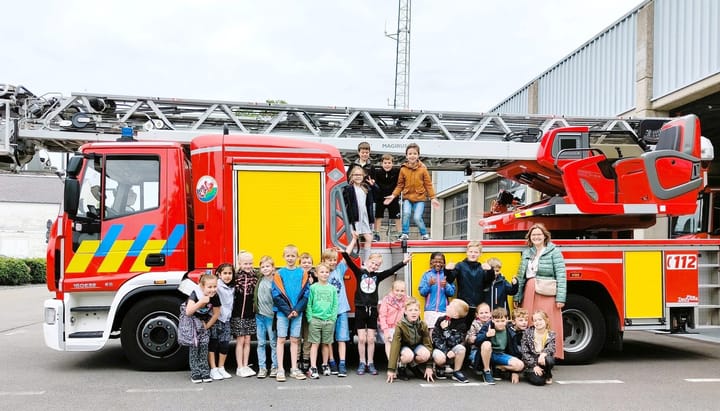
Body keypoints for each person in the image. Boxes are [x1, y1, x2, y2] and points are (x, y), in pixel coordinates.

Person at [342, 232, 411, 376]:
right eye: (372, 263)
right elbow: (347, 260)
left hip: (372, 309)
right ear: (367, 262)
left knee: (371, 338)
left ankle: (370, 363)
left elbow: (390, 271)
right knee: (361, 338)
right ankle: (362, 362)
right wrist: (350, 245)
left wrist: (403, 263)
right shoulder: (359, 272)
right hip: (360, 308)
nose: (374, 266)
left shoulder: (377, 276)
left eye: (377, 265)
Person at [514, 223, 566, 359]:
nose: (536, 237)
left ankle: (549, 355)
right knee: (530, 321)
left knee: (547, 322)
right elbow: (521, 275)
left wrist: (560, 298)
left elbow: (561, 275)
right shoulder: (527, 252)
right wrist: (517, 296)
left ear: (545, 236)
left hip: (546, 292)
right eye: (533, 235)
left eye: (539, 234)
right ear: (530, 237)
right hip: (530, 290)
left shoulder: (554, 251)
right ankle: (532, 355)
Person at [383, 143, 440, 240]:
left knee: (417, 217)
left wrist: (433, 198)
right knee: (406, 213)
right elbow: (400, 185)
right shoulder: (403, 169)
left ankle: (424, 234)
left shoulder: (423, 169)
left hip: (420, 198)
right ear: (406, 156)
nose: (412, 156)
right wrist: (393, 195)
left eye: (414, 153)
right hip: (407, 197)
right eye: (410, 154)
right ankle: (405, 233)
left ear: (418, 155)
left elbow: (428, 185)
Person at [272, 244, 311, 381]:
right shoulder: (278, 274)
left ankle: (294, 368)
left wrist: (296, 310)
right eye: (287, 256)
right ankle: (280, 369)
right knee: (281, 339)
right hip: (283, 313)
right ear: (283, 257)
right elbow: (276, 295)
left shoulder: (303, 273)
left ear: (297, 257)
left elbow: (306, 294)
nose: (290, 258)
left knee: (295, 340)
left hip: (297, 313)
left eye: (293, 256)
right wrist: (288, 310)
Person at [445, 241, 494, 328]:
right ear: (467, 252)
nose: (473, 254)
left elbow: (488, 283)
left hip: (478, 305)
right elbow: (450, 279)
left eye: (476, 252)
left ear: (480, 254)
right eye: (471, 251)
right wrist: (448, 270)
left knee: (477, 329)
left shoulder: (482, 267)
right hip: (463, 305)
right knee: (461, 328)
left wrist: (490, 271)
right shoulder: (460, 266)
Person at [386, 297, 434, 383]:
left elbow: (428, 344)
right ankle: (401, 366)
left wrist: (429, 366)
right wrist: (391, 369)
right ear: (405, 312)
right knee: (408, 355)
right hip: (405, 348)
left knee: (425, 354)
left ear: (419, 312)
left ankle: (412, 365)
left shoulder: (423, 325)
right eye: (410, 310)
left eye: (416, 310)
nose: (413, 312)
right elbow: (395, 346)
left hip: (416, 346)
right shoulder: (400, 325)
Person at [475, 307, 525, 385]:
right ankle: (487, 370)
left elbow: (514, 350)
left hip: (501, 354)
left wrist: (515, 372)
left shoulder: (510, 330)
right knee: (486, 344)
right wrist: (486, 335)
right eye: (497, 321)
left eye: (502, 321)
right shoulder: (488, 326)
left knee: (520, 365)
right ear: (493, 320)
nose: (500, 323)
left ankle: (498, 367)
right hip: (488, 354)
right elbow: (477, 341)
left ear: (507, 319)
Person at [306, 263, 338, 379]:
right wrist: (310, 318)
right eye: (322, 272)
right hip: (315, 319)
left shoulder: (332, 288)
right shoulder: (313, 288)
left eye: (327, 272)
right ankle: (313, 366)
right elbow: (309, 304)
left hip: (328, 320)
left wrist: (333, 318)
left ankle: (325, 364)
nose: (325, 274)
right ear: (316, 274)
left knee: (326, 343)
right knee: (315, 343)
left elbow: (335, 304)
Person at [186, 273, 220, 383]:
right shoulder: (195, 294)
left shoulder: (215, 296)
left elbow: (216, 314)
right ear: (202, 286)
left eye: (215, 286)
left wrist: (207, 326)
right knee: (195, 346)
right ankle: (195, 372)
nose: (213, 290)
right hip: (192, 321)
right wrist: (200, 302)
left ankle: (205, 371)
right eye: (209, 287)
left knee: (205, 345)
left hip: (204, 322)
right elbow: (188, 312)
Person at [323, 247, 350, 377]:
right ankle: (332, 361)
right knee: (328, 340)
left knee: (341, 339)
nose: (333, 262)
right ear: (324, 261)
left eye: (334, 259)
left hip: (342, 310)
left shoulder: (339, 270)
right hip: (328, 312)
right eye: (329, 260)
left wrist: (353, 240)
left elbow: (347, 257)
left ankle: (342, 364)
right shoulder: (324, 274)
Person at [430, 299, 470, 383]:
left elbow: (455, 342)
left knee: (461, 349)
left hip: (451, 349)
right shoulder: (441, 319)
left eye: (450, 306)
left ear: (455, 314)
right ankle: (440, 366)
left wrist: (445, 329)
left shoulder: (461, 325)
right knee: (440, 358)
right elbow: (435, 337)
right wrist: (445, 351)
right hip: (440, 348)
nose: (447, 306)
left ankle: (457, 371)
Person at [232, 251, 258, 377]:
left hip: (250, 313)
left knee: (248, 340)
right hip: (238, 314)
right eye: (245, 263)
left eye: (250, 263)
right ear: (240, 264)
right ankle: (239, 366)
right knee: (240, 340)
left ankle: (246, 365)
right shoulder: (236, 276)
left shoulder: (255, 276)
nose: (248, 266)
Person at [344, 164, 376, 263]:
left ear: (363, 177)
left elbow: (377, 195)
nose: (358, 176)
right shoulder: (349, 188)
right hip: (355, 217)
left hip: (364, 217)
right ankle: (352, 261)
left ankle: (366, 262)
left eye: (360, 175)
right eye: (355, 175)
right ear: (351, 176)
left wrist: (373, 185)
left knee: (369, 238)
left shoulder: (366, 188)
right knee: (354, 239)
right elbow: (345, 203)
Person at [209, 263, 234, 380]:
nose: (227, 276)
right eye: (225, 273)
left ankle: (221, 367)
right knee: (213, 343)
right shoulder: (217, 285)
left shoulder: (232, 287)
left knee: (225, 344)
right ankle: (213, 369)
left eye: (230, 273)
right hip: (216, 318)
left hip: (226, 319)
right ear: (219, 274)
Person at [254, 255, 278, 379]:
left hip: (271, 317)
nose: (265, 269)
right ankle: (262, 368)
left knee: (273, 343)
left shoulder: (276, 281)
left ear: (273, 268)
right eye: (262, 267)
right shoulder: (259, 279)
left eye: (268, 266)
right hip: (260, 316)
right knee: (261, 343)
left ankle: (275, 367)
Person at [418, 252, 455, 332]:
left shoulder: (447, 275)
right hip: (430, 310)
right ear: (431, 262)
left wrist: (446, 285)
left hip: (444, 310)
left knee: (443, 331)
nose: (438, 264)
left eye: (440, 262)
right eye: (435, 261)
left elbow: (451, 293)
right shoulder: (426, 275)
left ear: (444, 263)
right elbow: (422, 292)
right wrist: (429, 284)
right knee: (430, 333)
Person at [520, 310, 557, 386]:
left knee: (549, 359)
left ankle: (548, 373)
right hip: (530, 362)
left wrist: (543, 355)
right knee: (539, 382)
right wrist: (534, 366)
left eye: (540, 319)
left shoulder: (551, 334)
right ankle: (529, 373)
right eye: (535, 320)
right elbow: (524, 352)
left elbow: (551, 348)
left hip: (542, 360)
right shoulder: (527, 333)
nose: (537, 322)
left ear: (546, 320)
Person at [378, 280, 408, 361]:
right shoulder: (386, 300)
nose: (399, 293)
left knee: (399, 346)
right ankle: (392, 364)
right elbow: (382, 316)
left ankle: (400, 364)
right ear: (392, 290)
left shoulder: (406, 300)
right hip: (388, 327)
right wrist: (385, 330)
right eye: (397, 290)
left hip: (400, 327)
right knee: (389, 344)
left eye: (402, 291)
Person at [374, 153, 401, 240]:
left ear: (392, 163)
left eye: (389, 163)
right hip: (380, 198)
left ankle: (400, 233)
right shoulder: (377, 172)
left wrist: (394, 195)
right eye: (385, 163)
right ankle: (376, 234)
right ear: (382, 163)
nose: (387, 165)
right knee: (378, 216)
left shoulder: (397, 171)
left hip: (393, 197)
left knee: (396, 216)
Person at [299, 252, 317, 374]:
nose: (306, 264)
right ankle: (296, 359)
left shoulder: (315, 277)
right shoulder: (297, 275)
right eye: (304, 262)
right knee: (296, 336)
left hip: (310, 311)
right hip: (298, 309)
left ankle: (305, 359)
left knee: (307, 336)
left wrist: (312, 283)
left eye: (309, 262)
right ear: (299, 264)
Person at [465, 302, 492, 374]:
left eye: (486, 312)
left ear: (490, 314)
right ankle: (476, 364)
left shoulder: (492, 323)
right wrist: (471, 339)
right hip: (476, 348)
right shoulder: (475, 324)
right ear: (477, 315)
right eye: (481, 313)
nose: (484, 315)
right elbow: (469, 337)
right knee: (475, 358)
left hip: (490, 348)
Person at [508, 307, 530, 384]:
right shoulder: (509, 332)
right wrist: (514, 372)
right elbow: (511, 352)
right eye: (521, 320)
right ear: (514, 322)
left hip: (522, 356)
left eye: (526, 320)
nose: (524, 322)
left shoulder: (528, 332)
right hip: (512, 355)